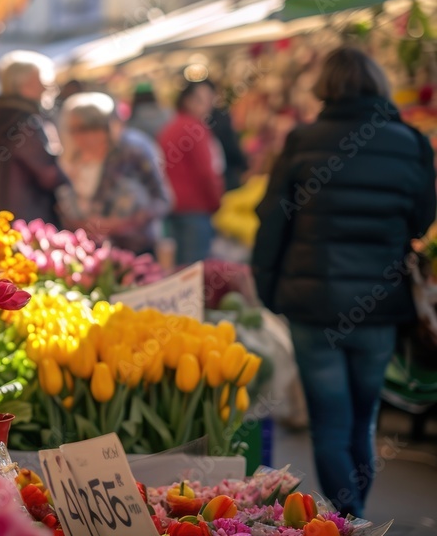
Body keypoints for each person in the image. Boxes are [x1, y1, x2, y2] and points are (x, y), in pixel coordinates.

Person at [252, 47, 436, 517]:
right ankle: (355, 518)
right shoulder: (411, 143)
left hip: (312, 305)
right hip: (380, 303)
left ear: (323, 88)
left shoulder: (302, 140)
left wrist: (270, 290)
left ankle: (348, 520)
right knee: (362, 423)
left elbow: (273, 222)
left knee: (330, 426)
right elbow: (421, 220)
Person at [58, 92, 172, 254]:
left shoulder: (134, 149)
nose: (78, 137)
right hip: (88, 251)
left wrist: (122, 224)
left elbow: (162, 200)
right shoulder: (71, 157)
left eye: (84, 129)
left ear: (104, 127)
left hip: (134, 250)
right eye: (73, 130)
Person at [0, 51, 75, 225]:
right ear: (24, 85)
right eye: (41, 81)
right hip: (27, 218)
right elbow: (48, 175)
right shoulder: (27, 122)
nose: (46, 87)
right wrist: (73, 174)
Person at [158, 80, 224, 264]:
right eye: (201, 100)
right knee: (194, 270)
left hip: (174, 206)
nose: (207, 105)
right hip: (195, 209)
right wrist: (216, 202)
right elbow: (206, 173)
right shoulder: (194, 128)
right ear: (187, 101)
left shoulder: (171, 126)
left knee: (182, 269)